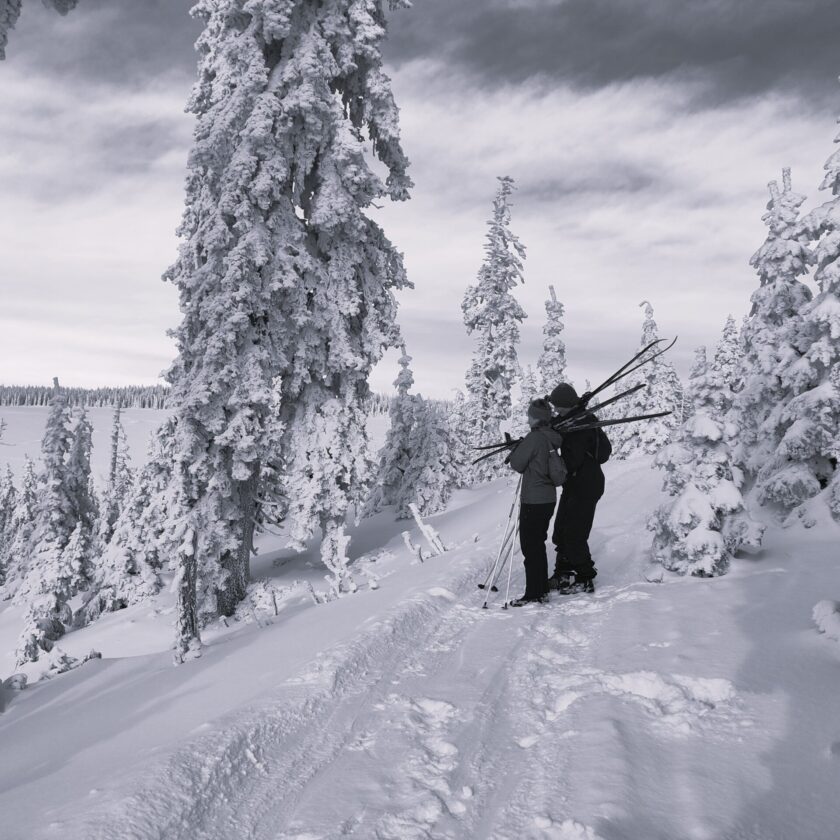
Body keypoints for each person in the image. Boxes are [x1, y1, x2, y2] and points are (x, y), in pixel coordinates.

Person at [547, 382, 608, 594]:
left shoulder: (579, 427)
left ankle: (585, 577)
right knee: (561, 529)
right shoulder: (572, 418)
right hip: (575, 484)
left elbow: (571, 462)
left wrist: (548, 459)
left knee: (574, 533)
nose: (555, 410)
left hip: (586, 485)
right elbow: (557, 421)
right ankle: (563, 573)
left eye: (557, 406)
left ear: (567, 405)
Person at [507, 398, 565, 606]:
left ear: (535, 418)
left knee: (530, 547)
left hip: (534, 500)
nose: (527, 418)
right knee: (537, 545)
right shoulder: (551, 436)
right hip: (548, 498)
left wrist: (515, 450)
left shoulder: (535, 438)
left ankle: (534, 593)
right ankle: (540, 589)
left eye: (530, 415)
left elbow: (517, 463)